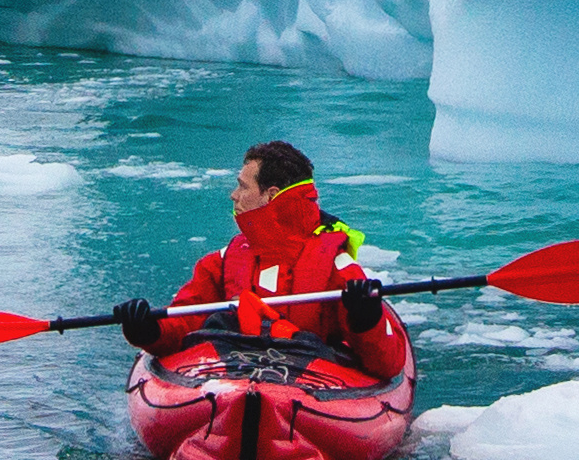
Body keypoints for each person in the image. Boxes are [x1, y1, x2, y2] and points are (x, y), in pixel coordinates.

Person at [112, 141, 406, 375]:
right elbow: (183, 323)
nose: (233, 195)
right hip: (232, 382)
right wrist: (146, 328)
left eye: (242, 186)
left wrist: (366, 319)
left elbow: (388, 364)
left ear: (270, 195)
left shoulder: (338, 267)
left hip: (307, 392)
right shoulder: (224, 261)